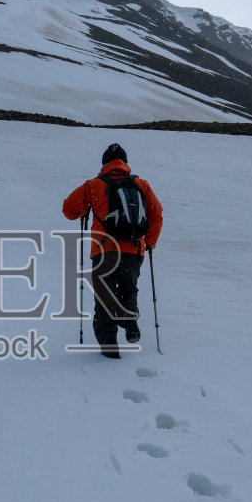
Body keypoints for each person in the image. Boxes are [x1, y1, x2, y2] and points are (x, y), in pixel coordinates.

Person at [62, 144, 163, 358]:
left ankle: (109, 351)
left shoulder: (94, 185)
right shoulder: (140, 184)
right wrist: (150, 242)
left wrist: (86, 208)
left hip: (104, 251)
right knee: (128, 290)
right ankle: (129, 317)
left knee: (105, 298)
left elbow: (68, 209)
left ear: (104, 163)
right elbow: (157, 214)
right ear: (124, 162)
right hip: (133, 250)